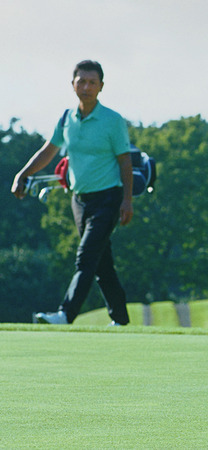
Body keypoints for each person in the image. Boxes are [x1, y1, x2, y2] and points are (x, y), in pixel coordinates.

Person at [11, 60, 134, 326]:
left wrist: (126, 200)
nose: (86, 87)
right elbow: (48, 151)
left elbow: (125, 161)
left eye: (92, 82)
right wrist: (23, 174)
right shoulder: (67, 118)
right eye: (82, 81)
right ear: (73, 84)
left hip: (109, 198)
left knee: (86, 256)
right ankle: (121, 320)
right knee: (101, 262)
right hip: (80, 200)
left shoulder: (112, 121)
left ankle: (65, 314)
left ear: (101, 87)